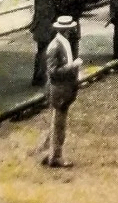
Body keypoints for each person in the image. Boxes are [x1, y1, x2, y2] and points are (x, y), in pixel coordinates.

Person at [35, 16, 82, 167]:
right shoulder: (55, 46)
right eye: (69, 28)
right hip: (58, 89)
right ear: (65, 30)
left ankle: (48, 153)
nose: (71, 30)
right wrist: (73, 66)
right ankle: (55, 157)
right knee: (58, 125)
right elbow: (53, 71)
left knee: (56, 122)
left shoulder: (63, 42)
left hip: (64, 88)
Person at [29, 0, 61, 87]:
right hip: (45, 29)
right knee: (44, 52)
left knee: (41, 52)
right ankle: (41, 77)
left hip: (41, 28)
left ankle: (38, 77)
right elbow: (48, 14)